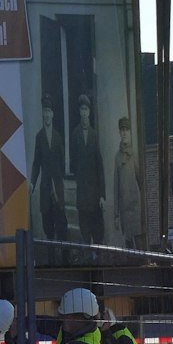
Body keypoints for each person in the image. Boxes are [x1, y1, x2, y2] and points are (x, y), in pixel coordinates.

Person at [32, 96, 69, 242]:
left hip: (57, 189)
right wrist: (32, 183)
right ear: (43, 114)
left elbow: (61, 161)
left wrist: (60, 181)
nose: (47, 114)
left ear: (53, 114)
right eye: (44, 111)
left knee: (62, 226)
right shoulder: (39, 137)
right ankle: (51, 260)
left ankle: (64, 260)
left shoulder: (58, 137)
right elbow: (36, 163)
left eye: (49, 111)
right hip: (45, 189)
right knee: (48, 228)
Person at [71, 94, 107, 245]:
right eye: (82, 109)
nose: (84, 112)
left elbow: (100, 166)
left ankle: (97, 259)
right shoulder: (75, 134)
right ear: (79, 112)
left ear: (89, 112)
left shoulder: (94, 135)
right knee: (85, 233)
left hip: (94, 194)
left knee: (98, 234)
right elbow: (74, 162)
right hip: (82, 194)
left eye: (86, 109)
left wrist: (102, 195)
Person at [112, 116, 144, 250]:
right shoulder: (117, 157)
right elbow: (116, 187)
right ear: (119, 133)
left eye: (126, 130)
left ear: (130, 133)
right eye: (122, 130)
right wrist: (116, 214)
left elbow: (142, 183)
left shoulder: (135, 154)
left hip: (136, 209)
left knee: (140, 245)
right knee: (129, 248)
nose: (124, 133)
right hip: (124, 211)